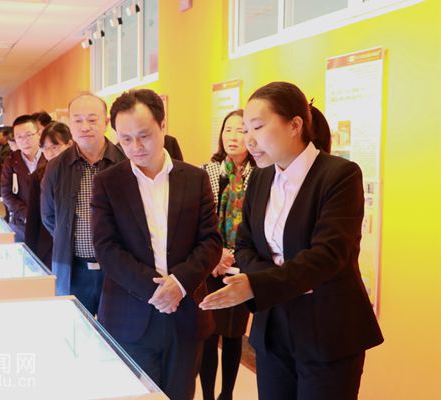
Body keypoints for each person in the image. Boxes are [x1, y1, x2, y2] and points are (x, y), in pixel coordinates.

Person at [200, 82, 384, 400]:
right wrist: (264, 282)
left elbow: (327, 256)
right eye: (246, 129)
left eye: (258, 127)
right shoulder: (261, 177)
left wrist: (256, 284)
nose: (249, 139)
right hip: (272, 330)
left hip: (327, 332)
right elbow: (245, 245)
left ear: (295, 125)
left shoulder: (339, 175)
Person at [91, 89, 221, 400]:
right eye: (125, 139)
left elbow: (210, 241)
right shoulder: (108, 182)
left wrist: (179, 283)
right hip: (129, 314)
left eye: (144, 136)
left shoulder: (195, 178)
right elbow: (107, 248)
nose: (135, 147)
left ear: (163, 126)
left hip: (185, 315)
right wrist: (157, 291)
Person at [41, 93, 126, 314]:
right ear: (70, 124)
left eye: (92, 119)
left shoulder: (125, 162)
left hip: (117, 268)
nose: (85, 126)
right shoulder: (56, 166)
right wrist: (68, 237)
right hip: (72, 268)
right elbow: (49, 216)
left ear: (106, 122)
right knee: (74, 326)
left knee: (116, 328)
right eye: (78, 120)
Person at [199, 109, 254, 400]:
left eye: (241, 130)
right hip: (209, 265)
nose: (233, 136)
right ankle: (208, 395)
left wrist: (232, 255)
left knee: (233, 335)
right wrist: (216, 254)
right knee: (208, 335)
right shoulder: (207, 172)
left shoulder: (260, 175)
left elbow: (257, 225)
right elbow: (199, 220)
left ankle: (227, 394)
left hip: (240, 266)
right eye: (228, 129)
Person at [25, 121, 73, 267]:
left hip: (77, 246)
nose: (50, 153)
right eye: (45, 149)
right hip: (47, 247)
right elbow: (33, 217)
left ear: (70, 144)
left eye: (55, 147)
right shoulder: (39, 175)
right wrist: (29, 254)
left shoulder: (80, 173)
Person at [0, 115, 44, 242]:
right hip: (21, 223)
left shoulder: (50, 157)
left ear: (39, 134)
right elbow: (6, 193)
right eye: (19, 137)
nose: (24, 141)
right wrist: (26, 214)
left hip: (48, 223)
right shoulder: (11, 161)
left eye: (29, 135)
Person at [117, 133, 184, 161]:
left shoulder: (169, 142)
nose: (136, 147)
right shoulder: (119, 149)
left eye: (144, 136)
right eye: (127, 139)